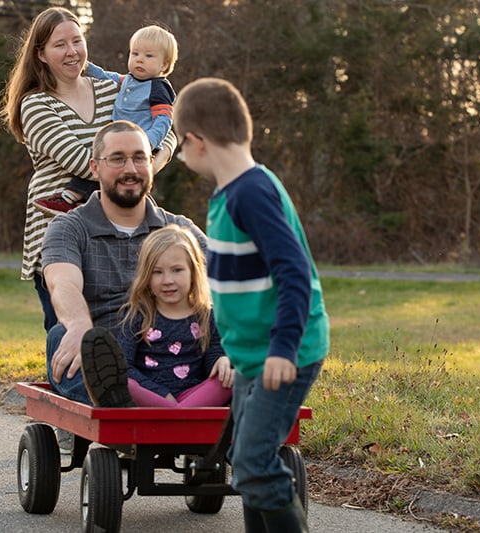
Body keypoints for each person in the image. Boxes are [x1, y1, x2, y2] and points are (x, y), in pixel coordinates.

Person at [173, 77, 330, 533]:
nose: (182, 159)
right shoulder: (231, 193)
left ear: (196, 142)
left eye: (181, 149)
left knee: (255, 463)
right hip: (252, 360)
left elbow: (294, 272)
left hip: (284, 355)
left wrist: (283, 347)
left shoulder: (251, 193)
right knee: (247, 465)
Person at [0, 7, 177, 332]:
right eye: (59, 45)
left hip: (114, 232)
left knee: (127, 337)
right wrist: (141, 165)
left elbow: (169, 133)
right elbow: (81, 161)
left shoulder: (111, 91)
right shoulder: (37, 104)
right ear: (41, 54)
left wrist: (150, 161)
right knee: (69, 334)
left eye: (77, 41)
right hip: (58, 231)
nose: (72, 52)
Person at [41, 120, 204, 406]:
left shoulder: (177, 230)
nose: (130, 169)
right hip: (106, 356)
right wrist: (79, 325)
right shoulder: (69, 228)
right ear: (95, 167)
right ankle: (120, 401)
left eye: (139, 158)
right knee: (61, 334)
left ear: (151, 163)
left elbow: (230, 277)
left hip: (175, 355)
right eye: (117, 159)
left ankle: (242, 406)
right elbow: (62, 283)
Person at [34, 23, 178, 216]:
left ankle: (69, 199)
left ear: (164, 65)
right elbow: (107, 76)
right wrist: (85, 65)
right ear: (41, 54)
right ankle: (71, 199)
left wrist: (148, 146)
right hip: (118, 145)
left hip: (139, 145)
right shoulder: (128, 81)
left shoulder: (158, 88)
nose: (139, 60)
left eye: (148, 56)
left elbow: (165, 123)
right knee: (102, 162)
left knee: (105, 162)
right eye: (135, 54)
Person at [113, 224, 233, 407]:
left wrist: (220, 360)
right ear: (146, 276)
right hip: (151, 398)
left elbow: (213, 353)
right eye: (157, 272)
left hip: (194, 396)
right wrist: (163, 396)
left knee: (232, 378)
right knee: (123, 382)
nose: (168, 280)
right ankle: (179, 417)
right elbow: (125, 365)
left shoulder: (206, 314)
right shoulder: (138, 315)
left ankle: (174, 417)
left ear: (193, 272)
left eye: (177, 270)